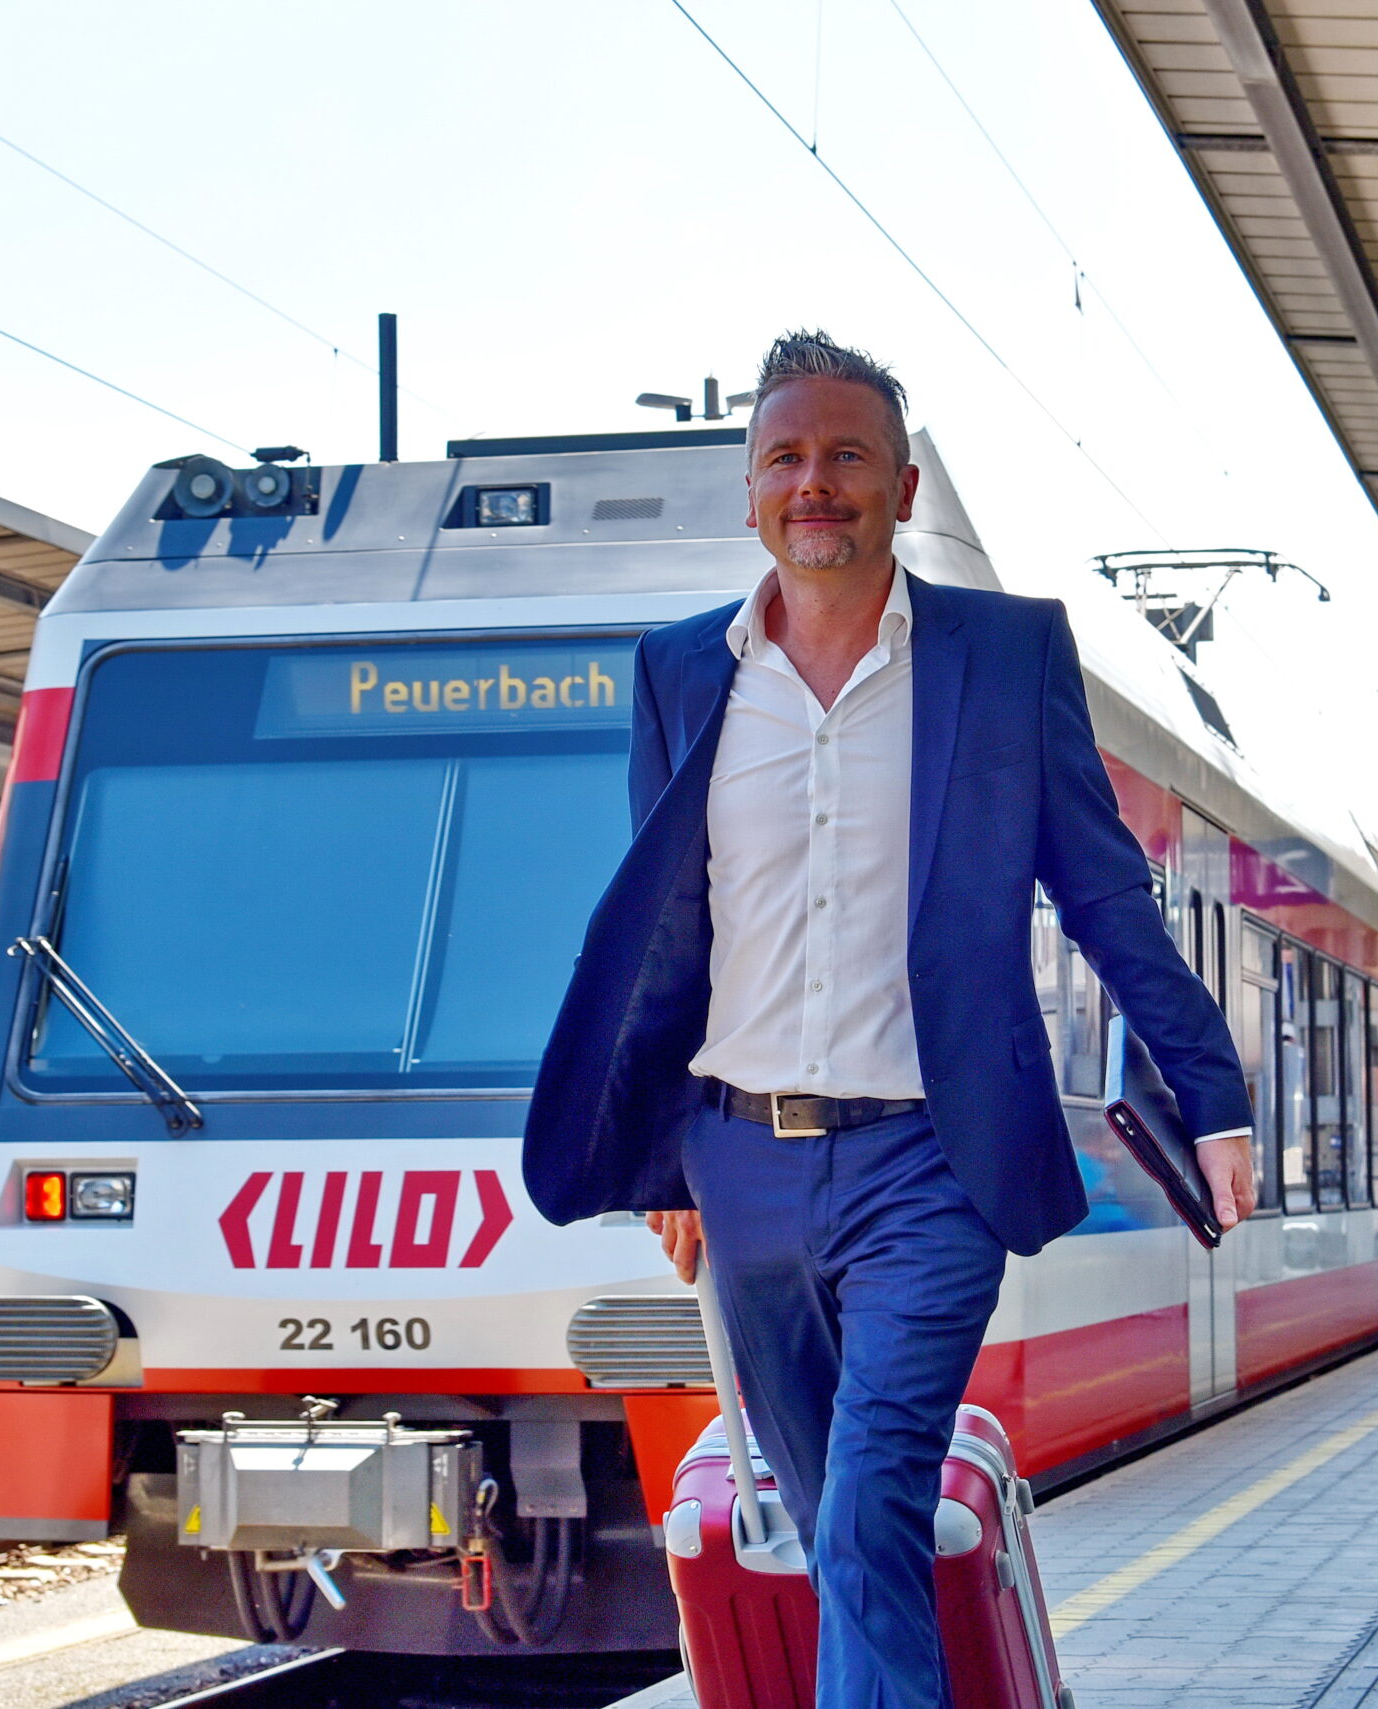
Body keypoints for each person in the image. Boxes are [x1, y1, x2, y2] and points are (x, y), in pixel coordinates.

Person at [522, 332, 1257, 1709]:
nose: (819, 483)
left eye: (848, 456)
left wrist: (1213, 1094)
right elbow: (670, 936)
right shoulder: (681, 673)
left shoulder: (1005, 652)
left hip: (930, 1158)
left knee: (866, 1506)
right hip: (739, 1164)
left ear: (902, 488)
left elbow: (1104, 891)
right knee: (834, 1531)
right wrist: (659, 1160)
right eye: (787, 458)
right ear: (749, 493)